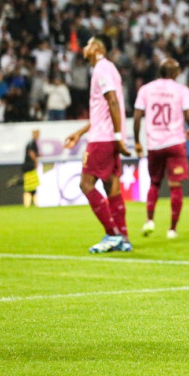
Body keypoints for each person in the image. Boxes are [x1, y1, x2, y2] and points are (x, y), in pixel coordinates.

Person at [64, 34, 133, 253]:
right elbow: (103, 111)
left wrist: (119, 137)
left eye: (87, 43)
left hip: (103, 139)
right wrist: (80, 131)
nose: (84, 48)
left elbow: (112, 101)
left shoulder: (102, 69)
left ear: (96, 48)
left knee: (86, 184)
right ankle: (123, 237)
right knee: (111, 187)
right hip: (108, 135)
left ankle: (112, 235)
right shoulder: (109, 69)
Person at [133, 58, 189, 239]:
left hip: (154, 144)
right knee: (175, 186)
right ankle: (172, 229)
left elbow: (137, 116)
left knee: (154, 183)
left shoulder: (146, 89)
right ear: (175, 73)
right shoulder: (182, 90)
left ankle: (149, 221)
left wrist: (138, 141)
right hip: (175, 142)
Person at [22, 129, 40, 208]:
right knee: (30, 186)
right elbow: (31, 153)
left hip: (27, 166)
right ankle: (28, 204)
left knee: (31, 186)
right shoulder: (32, 143)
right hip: (29, 166)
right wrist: (36, 161)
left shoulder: (31, 142)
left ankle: (31, 204)